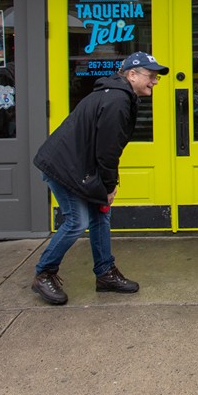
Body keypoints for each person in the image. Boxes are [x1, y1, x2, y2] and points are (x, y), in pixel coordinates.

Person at [30, 50, 168, 305]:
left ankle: (105, 273)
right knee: (76, 220)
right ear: (132, 74)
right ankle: (44, 273)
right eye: (151, 76)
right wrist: (108, 186)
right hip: (62, 167)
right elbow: (107, 151)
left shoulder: (119, 94)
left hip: (78, 166)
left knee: (100, 214)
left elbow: (102, 147)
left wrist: (102, 185)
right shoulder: (117, 100)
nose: (155, 82)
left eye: (157, 77)